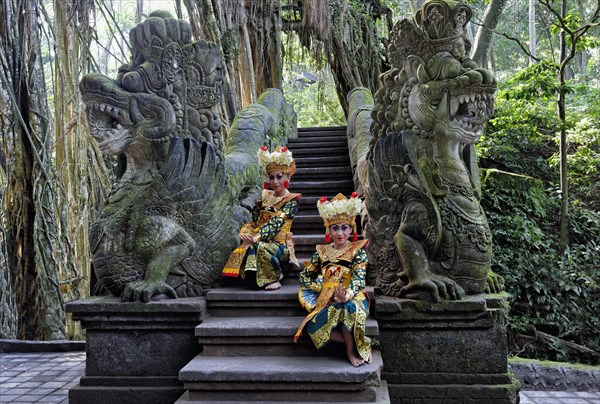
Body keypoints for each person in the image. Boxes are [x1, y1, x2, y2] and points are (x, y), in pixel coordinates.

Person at [295, 192, 372, 367]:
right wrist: (319, 287)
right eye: (335, 228)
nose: (340, 233)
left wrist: (347, 294)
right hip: (326, 298)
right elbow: (304, 275)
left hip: (353, 298)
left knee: (345, 307)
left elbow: (359, 279)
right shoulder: (321, 252)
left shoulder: (357, 250)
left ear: (351, 229)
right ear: (328, 229)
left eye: (344, 228)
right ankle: (359, 341)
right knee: (311, 328)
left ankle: (350, 351)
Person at [222, 146, 301, 290]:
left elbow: (276, 224)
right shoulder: (264, 197)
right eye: (271, 177)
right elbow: (255, 221)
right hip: (259, 237)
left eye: (279, 176)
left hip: (281, 245)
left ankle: (275, 276)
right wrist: (246, 231)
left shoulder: (292, 200)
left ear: (288, 177)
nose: (275, 181)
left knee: (260, 246)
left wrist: (256, 237)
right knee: (245, 246)